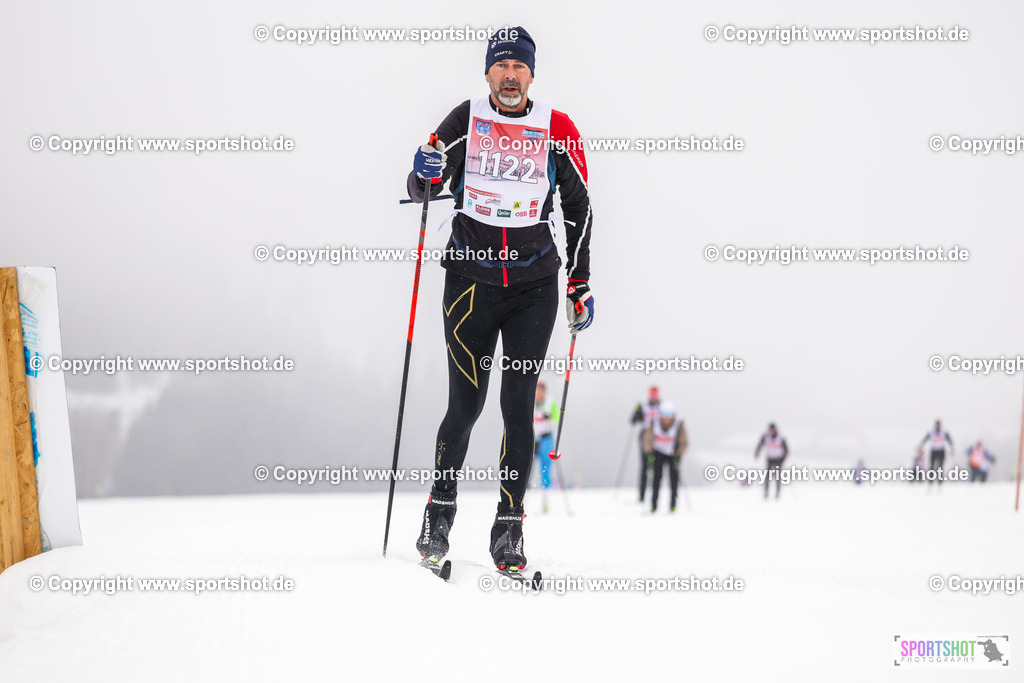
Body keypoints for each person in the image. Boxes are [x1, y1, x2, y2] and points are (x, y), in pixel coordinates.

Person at [409, 26, 595, 573]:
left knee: (518, 407)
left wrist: (579, 282)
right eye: (501, 65)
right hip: (469, 282)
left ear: (532, 74)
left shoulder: (556, 128)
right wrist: (423, 174)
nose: (510, 76)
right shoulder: (465, 119)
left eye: (520, 67)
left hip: (534, 288)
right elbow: (423, 182)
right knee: (464, 405)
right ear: (487, 72)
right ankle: (438, 516)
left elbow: (581, 210)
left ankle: (508, 531)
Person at [642, 402, 688, 513]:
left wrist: (679, 454)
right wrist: (650, 453)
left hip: (673, 454)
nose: (667, 418)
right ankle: (654, 505)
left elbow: (684, 441)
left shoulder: (679, 424)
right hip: (658, 453)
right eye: (664, 414)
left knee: (674, 481)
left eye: (669, 415)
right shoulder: (654, 423)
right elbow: (647, 439)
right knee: (656, 480)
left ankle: (673, 505)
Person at [532, 381, 560, 511]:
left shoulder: (550, 402)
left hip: (546, 439)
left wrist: (549, 417)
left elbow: (557, 419)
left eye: (541, 391)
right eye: (537, 391)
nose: (538, 394)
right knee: (527, 468)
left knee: (545, 469)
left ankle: (545, 501)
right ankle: (523, 499)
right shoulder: (530, 399)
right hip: (532, 439)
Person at [630, 386, 661, 502]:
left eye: (655, 395)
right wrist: (637, 414)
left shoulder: (662, 406)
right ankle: (642, 496)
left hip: (658, 438)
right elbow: (633, 420)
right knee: (644, 467)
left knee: (657, 468)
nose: (653, 398)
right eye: (652, 395)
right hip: (645, 437)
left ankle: (655, 495)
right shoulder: (643, 405)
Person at [754, 423, 788, 500]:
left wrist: (783, 459)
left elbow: (786, 450)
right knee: (767, 476)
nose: (771, 432)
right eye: (770, 430)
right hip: (769, 458)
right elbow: (760, 445)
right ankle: (766, 493)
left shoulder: (781, 437)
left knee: (777, 476)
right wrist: (757, 453)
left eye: (772, 430)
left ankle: (777, 493)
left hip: (778, 459)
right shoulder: (766, 437)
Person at [919, 419, 953, 487]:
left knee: (940, 466)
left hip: (941, 451)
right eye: (936, 425)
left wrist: (951, 448)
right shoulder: (931, 432)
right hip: (933, 451)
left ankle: (940, 482)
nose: (937, 427)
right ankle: (931, 481)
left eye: (939, 425)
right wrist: (921, 446)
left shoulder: (944, 432)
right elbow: (924, 440)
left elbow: (950, 441)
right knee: (931, 466)